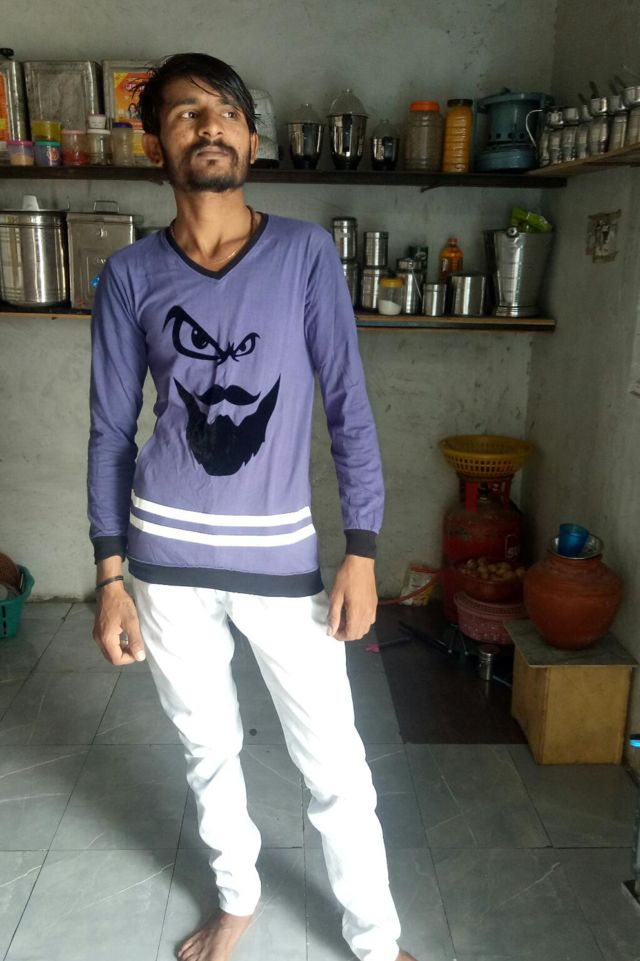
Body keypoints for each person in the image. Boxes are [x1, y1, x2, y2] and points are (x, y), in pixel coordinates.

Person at [88, 52, 418, 961]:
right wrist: (111, 577)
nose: (210, 125)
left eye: (227, 112)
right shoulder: (131, 275)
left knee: (335, 762)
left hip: (281, 561)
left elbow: (347, 403)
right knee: (208, 747)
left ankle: (376, 939)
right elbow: (111, 431)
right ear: (156, 144)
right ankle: (238, 895)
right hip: (163, 562)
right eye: (186, 113)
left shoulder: (304, 255)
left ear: (252, 138)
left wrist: (362, 548)